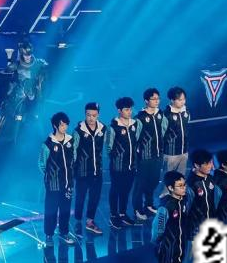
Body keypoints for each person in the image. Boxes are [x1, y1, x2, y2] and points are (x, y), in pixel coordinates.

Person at [0, 40, 48, 147]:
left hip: (34, 95)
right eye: (25, 55)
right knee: (17, 117)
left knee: (37, 116)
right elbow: (7, 71)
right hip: (20, 96)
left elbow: (45, 69)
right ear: (21, 54)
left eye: (29, 54)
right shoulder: (17, 65)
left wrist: (40, 81)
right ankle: (14, 141)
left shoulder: (38, 63)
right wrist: (9, 62)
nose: (27, 57)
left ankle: (42, 140)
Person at [182, 149, 215, 263]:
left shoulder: (210, 179)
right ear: (196, 165)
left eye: (211, 163)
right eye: (207, 164)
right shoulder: (190, 185)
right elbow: (185, 210)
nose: (211, 166)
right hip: (195, 230)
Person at [38, 112, 77, 245]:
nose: (65, 127)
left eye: (66, 124)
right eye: (62, 125)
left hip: (68, 183)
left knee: (65, 209)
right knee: (51, 210)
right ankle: (49, 235)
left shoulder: (71, 141)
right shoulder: (47, 144)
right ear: (55, 125)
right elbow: (42, 164)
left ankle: (64, 233)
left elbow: (74, 158)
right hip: (53, 184)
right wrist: (51, 176)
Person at [132, 88, 168, 221]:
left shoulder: (160, 114)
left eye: (158, 98)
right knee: (140, 184)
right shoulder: (140, 118)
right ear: (146, 101)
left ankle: (149, 204)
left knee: (154, 181)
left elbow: (164, 130)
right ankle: (137, 209)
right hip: (144, 157)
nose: (156, 101)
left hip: (157, 155)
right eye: (153, 99)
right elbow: (135, 138)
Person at [72, 102, 105, 236]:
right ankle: (77, 220)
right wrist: (74, 170)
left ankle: (90, 221)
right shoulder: (78, 131)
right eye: (88, 115)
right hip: (82, 171)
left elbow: (107, 146)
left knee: (94, 197)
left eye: (94, 115)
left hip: (97, 171)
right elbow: (73, 151)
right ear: (85, 114)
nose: (91, 118)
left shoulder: (103, 129)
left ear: (98, 115)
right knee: (80, 197)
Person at [107, 96, 137, 229]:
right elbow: (109, 148)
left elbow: (137, 142)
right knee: (115, 190)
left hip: (132, 166)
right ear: (119, 111)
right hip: (118, 167)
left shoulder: (135, 124)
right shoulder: (113, 127)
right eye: (126, 109)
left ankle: (123, 213)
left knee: (126, 190)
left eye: (130, 109)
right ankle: (113, 215)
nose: (129, 112)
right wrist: (117, 160)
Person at [163, 87, 191, 175]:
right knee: (168, 179)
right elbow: (161, 134)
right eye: (179, 100)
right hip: (170, 154)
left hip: (184, 152)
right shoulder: (166, 114)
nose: (183, 102)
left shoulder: (186, 112)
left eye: (184, 99)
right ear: (172, 100)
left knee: (181, 178)